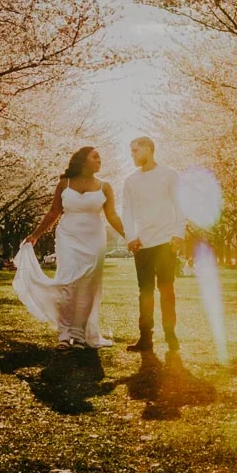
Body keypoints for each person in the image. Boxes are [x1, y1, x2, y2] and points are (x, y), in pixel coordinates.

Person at [13, 146, 127, 350]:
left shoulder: (105, 187)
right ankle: (64, 335)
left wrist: (129, 236)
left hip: (94, 239)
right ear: (83, 160)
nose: (99, 160)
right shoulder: (64, 183)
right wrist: (35, 235)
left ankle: (79, 335)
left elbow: (112, 216)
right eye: (95, 157)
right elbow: (53, 212)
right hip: (68, 237)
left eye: (100, 157)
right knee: (67, 283)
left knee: (88, 287)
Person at [122, 136, 185, 355]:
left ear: (148, 149)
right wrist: (130, 237)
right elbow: (127, 211)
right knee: (145, 292)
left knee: (167, 290)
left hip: (166, 242)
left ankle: (170, 335)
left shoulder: (169, 174)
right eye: (131, 151)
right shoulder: (130, 181)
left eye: (135, 150)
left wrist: (178, 234)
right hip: (142, 244)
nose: (132, 154)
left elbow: (179, 205)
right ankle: (145, 338)